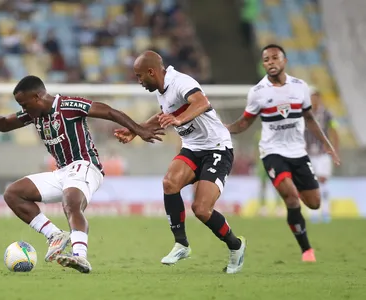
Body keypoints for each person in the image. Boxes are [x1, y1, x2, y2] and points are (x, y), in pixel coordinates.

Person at [0, 75, 162, 273]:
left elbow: (109, 111)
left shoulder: (68, 106)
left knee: (71, 202)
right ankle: (55, 235)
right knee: (13, 193)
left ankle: (80, 256)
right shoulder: (33, 113)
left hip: (86, 166)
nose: (23, 109)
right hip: (62, 172)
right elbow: (4, 124)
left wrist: (138, 130)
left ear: (37, 97)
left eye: (24, 104)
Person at [114, 51, 247, 274]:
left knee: (201, 209)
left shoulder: (181, 82)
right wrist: (136, 131)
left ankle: (236, 246)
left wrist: (179, 119)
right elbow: (162, 116)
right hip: (193, 148)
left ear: (151, 72)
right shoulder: (161, 91)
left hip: (217, 148)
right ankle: (181, 244)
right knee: (169, 183)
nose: (139, 81)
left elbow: (201, 102)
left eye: (139, 76)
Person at [225, 44, 340, 262]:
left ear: (284, 61)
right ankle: (306, 250)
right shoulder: (258, 92)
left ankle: (291, 183)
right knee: (292, 197)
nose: (271, 62)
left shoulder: (300, 87)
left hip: (298, 152)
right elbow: (245, 122)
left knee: (314, 203)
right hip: (272, 152)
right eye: (266, 59)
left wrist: (327, 144)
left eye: (275, 58)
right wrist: (226, 128)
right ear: (263, 64)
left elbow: (309, 118)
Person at [305, 87, 339, 223]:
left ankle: (325, 212)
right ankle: (313, 213)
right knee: (309, 183)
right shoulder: (304, 114)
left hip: (323, 153)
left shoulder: (327, 114)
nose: (314, 99)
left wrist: (335, 149)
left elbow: (334, 130)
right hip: (307, 153)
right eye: (312, 97)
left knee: (323, 181)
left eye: (316, 96)